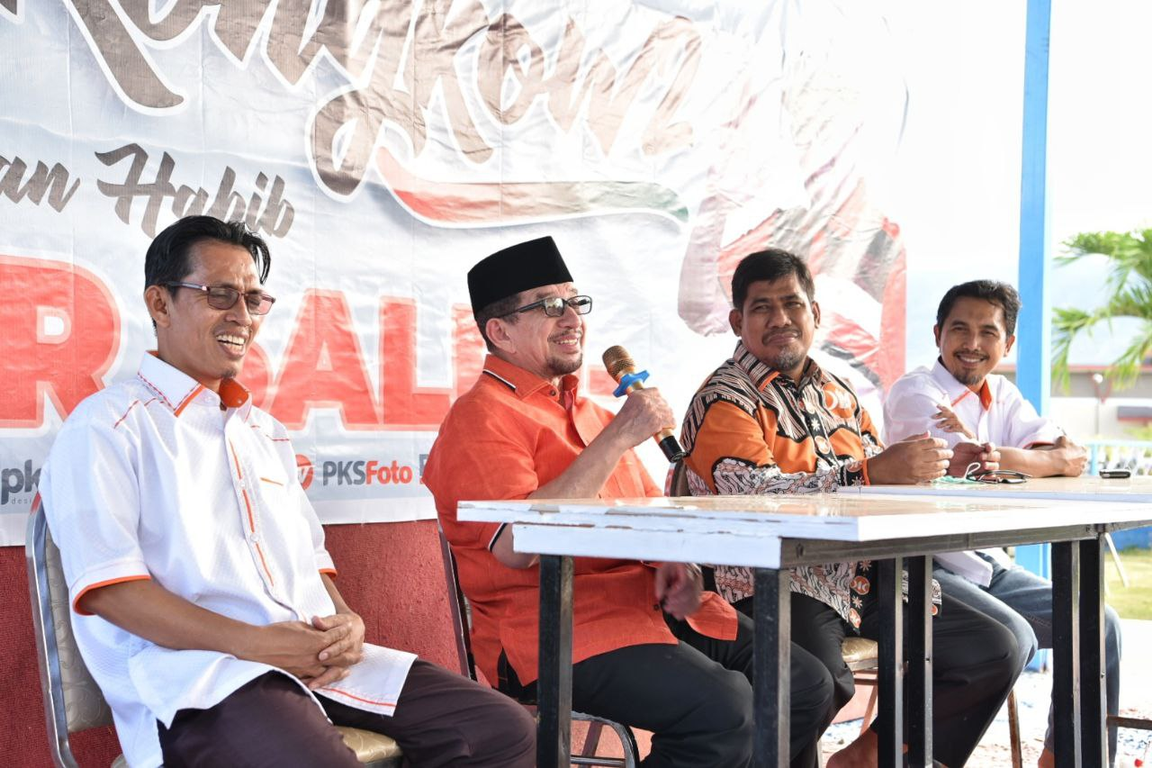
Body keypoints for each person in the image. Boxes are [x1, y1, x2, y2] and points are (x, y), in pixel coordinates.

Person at [39, 215, 535, 768]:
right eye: (219, 294)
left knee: (503, 731)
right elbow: (110, 589)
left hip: (312, 657)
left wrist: (349, 624)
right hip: (201, 675)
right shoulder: (108, 425)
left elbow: (310, 562)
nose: (242, 316)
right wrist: (257, 645)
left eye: (253, 299)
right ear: (160, 304)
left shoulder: (264, 431)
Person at [424, 236, 837, 768]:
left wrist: (675, 562)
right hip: (556, 628)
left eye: (576, 301)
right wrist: (619, 437)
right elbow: (514, 544)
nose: (572, 317)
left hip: (652, 608)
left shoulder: (593, 413)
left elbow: (652, 515)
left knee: (805, 684)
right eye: (550, 305)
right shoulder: (479, 417)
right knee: (725, 710)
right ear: (499, 331)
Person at [680, 249, 1023, 768]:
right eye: (762, 308)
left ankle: (870, 758)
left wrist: (937, 470)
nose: (780, 320)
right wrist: (870, 473)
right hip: (766, 580)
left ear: (815, 314)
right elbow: (753, 496)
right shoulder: (724, 398)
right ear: (737, 321)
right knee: (811, 684)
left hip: (860, 575)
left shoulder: (837, 392)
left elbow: (878, 484)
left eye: (792, 304)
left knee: (993, 648)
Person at [883, 279, 1123, 767]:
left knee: (1099, 626)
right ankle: (886, 752)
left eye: (987, 332)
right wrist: (1015, 461)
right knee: (1013, 637)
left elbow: (1070, 456)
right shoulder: (916, 392)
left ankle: (1069, 761)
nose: (972, 344)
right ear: (937, 335)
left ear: (1007, 343)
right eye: (960, 329)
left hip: (982, 563)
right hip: (922, 568)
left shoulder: (1003, 395)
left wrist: (1004, 458)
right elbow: (964, 462)